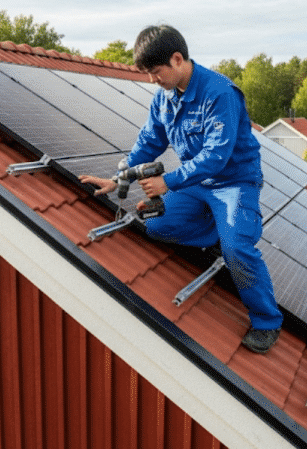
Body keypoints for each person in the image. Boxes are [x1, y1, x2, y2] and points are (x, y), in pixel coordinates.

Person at [80, 25, 283, 353]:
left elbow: (216, 157)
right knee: (157, 226)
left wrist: (167, 182)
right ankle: (217, 229)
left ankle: (267, 320)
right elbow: (149, 141)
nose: (151, 80)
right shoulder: (164, 98)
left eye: (155, 71)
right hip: (195, 182)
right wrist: (120, 178)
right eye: (146, 73)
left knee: (237, 251)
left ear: (177, 59)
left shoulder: (219, 93)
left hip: (233, 183)